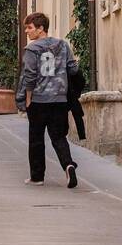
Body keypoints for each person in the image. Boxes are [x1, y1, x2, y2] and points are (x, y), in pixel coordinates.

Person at [15, 12, 79, 189]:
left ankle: (37, 176)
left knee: (36, 138)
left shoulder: (32, 49)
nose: (27, 32)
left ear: (41, 28)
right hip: (59, 99)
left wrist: (27, 98)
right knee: (58, 136)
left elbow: (29, 75)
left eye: (30, 28)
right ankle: (68, 165)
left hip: (39, 99)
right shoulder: (63, 45)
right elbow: (73, 69)